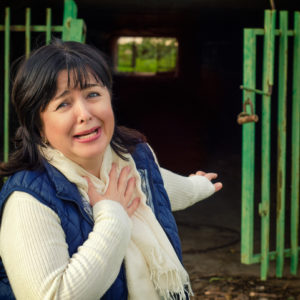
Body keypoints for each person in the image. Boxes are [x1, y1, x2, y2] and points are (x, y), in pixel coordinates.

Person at [0, 39, 222, 300]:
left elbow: (157, 185)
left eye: (92, 94)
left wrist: (197, 186)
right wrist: (113, 218)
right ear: (38, 126)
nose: (84, 113)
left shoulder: (132, 156)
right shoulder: (28, 200)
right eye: (63, 104)